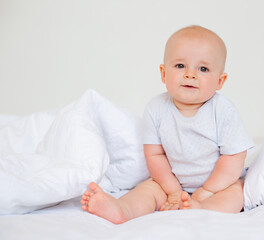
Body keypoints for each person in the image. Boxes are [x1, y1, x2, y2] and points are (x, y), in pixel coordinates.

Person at [81, 25, 254, 224]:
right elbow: (155, 154)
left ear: (220, 81)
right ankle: (122, 209)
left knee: (236, 194)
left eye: (203, 69)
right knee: (147, 189)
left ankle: (202, 209)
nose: (190, 74)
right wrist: (173, 191)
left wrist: (207, 191)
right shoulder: (157, 108)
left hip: (217, 185)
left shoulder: (223, 110)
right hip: (172, 183)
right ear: (163, 73)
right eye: (180, 66)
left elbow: (233, 157)